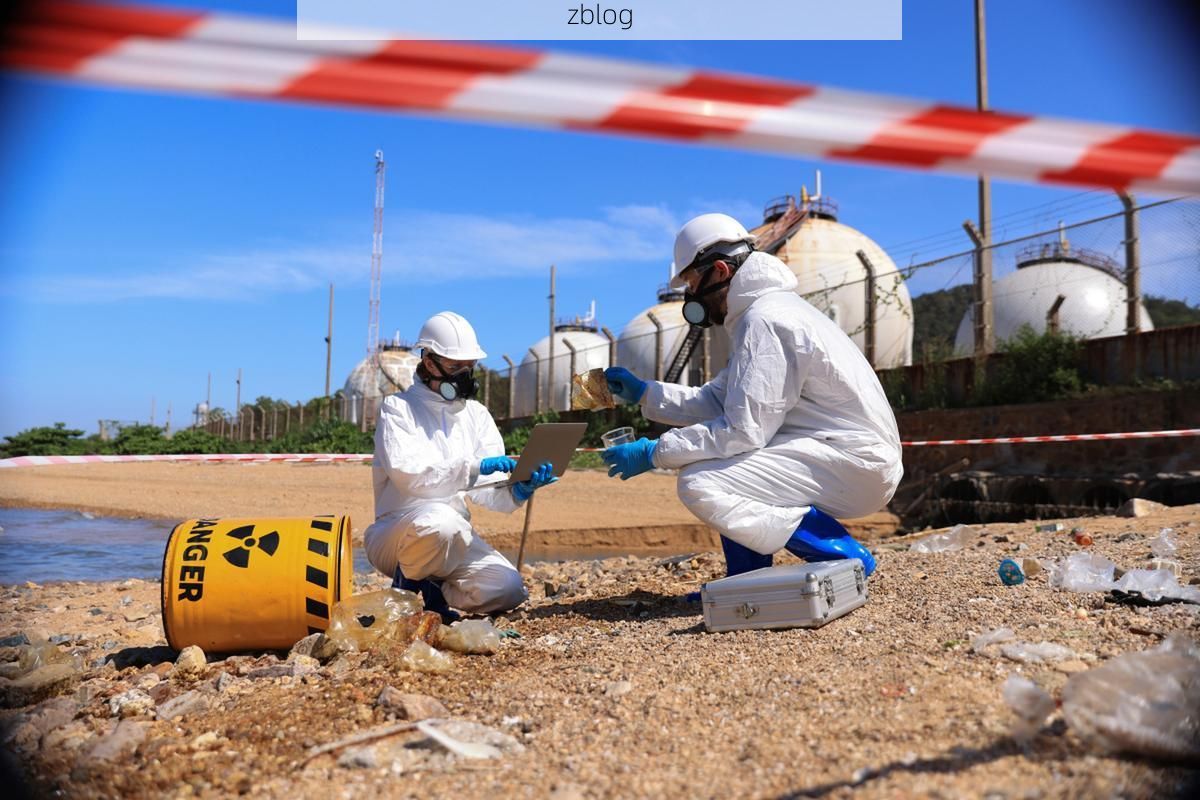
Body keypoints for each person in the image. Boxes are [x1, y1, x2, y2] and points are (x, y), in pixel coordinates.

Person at [602, 213, 902, 578]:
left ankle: (841, 555)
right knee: (728, 470)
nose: (691, 296)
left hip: (851, 462)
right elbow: (718, 400)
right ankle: (746, 580)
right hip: (841, 455)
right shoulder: (763, 315)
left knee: (702, 479)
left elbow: (742, 431)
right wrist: (645, 392)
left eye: (693, 282)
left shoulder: (766, 320)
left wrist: (656, 452)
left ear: (720, 271)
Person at [363, 311, 557, 621]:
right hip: (396, 535)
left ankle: (432, 590)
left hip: (453, 537)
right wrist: (474, 467)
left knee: (507, 588)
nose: (464, 376)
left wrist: (517, 489)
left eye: (470, 367)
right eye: (456, 367)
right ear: (429, 363)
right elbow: (409, 478)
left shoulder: (476, 415)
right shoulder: (398, 409)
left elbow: (486, 493)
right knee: (441, 521)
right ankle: (403, 594)